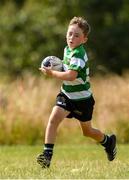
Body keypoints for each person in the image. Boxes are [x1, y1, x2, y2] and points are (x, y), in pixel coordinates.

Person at [37, 16, 117, 168]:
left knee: (87, 132)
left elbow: (71, 75)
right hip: (66, 94)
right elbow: (65, 70)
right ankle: (47, 156)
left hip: (83, 100)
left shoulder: (79, 54)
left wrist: (52, 73)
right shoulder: (67, 49)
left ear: (84, 39)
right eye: (69, 34)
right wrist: (56, 67)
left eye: (76, 35)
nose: (71, 37)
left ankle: (108, 141)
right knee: (53, 119)